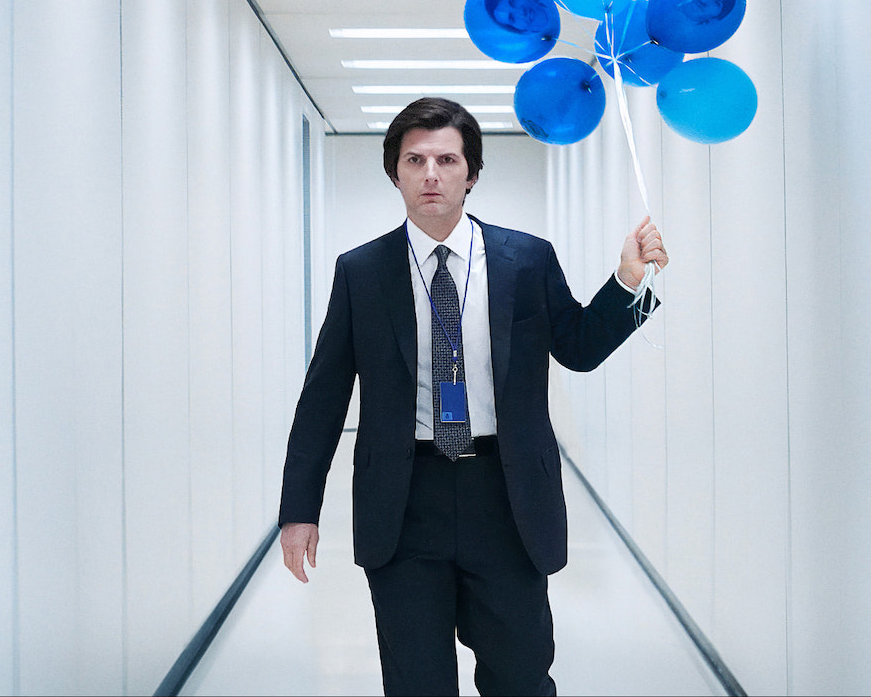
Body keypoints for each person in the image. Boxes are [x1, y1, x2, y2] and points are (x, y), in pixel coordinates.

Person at [276, 98, 668, 696]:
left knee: (519, 676)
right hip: (404, 502)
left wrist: (627, 283)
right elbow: (323, 396)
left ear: (472, 174)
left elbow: (579, 348)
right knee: (416, 681)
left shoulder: (526, 259)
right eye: (415, 160)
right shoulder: (360, 271)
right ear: (395, 172)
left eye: (446, 159)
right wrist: (299, 509)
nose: (431, 174)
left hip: (505, 496)